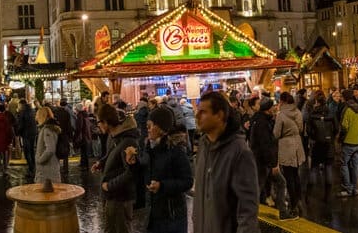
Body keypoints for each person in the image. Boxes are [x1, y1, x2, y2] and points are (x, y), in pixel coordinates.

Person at [192, 92, 260, 233]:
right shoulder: (204, 146)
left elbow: (248, 208)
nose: (197, 116)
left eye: (203, 112)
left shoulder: (239, 152)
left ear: (219, 115)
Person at [136, 105, 192, 233]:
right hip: (154, 213)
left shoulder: (176, 150)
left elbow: (187, 181)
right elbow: (145, 170)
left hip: (172, 216)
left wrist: (162, 186)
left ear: (161, 128)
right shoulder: (150, 147)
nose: (148, 129)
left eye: (150, 126)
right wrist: (133, 163)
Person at [96, 102, 141, 233]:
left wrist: (109, 185)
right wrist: (101, 162)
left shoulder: (128, 141)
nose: (98, 125)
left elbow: (132, 172)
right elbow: (111, 154)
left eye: (99, 122)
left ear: (105, 122)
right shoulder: (114, 137)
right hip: (112, 197)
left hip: (120, 199)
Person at [248, 99, 293, 220]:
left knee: (260, 186)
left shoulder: (258, 119)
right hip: (264, 162)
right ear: (268, 109)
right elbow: (265, 145)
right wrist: (273, 164)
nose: (276, 108)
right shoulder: (263, 123)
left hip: (260, 160)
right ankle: (282, 212)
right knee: (269, 185)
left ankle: (250, 213)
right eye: (273, 106)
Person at [274, 93, 305, 217]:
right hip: (297, 145)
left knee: (288, 176)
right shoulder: (298, 112)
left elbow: (276, 134)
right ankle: (298, 200)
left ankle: (293, 204)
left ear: (283, 102)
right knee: (296, 174)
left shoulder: (281, 115)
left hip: (286, 146)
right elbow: (301, 129)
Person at [337, 90, 358, 198]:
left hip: (348, 141)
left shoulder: (347, 110)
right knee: (355, 165)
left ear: (344, 98)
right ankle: (356, 188)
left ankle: (348, 188)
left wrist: (340, 139)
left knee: (344, 165)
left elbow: (344, 127)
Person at [34, 106, 62, 184]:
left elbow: (50, 149)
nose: (35, 117)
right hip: (51, 168)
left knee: (45, 194)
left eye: (37, 115)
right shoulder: (51, 128)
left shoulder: (46, 130)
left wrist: (40, 160)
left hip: (47, 171)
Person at [16, 99, 38, 179]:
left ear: (21, 105)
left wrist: (17, 132)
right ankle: (34, 166)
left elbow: (21, 125)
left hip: (26, 134)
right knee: (32, 150)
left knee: (27, 151)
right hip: (33, 132)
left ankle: (31, 168)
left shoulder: (23, 113)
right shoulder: (32, 111)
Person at [51, 100, 75, 170]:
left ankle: (57, 167)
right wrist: (70, 136)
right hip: (65, 134)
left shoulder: (55, 112)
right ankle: (65, 167)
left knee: (56, 150)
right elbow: (69, 125)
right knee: (65, 151)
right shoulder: (66, 113)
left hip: (57, 134)